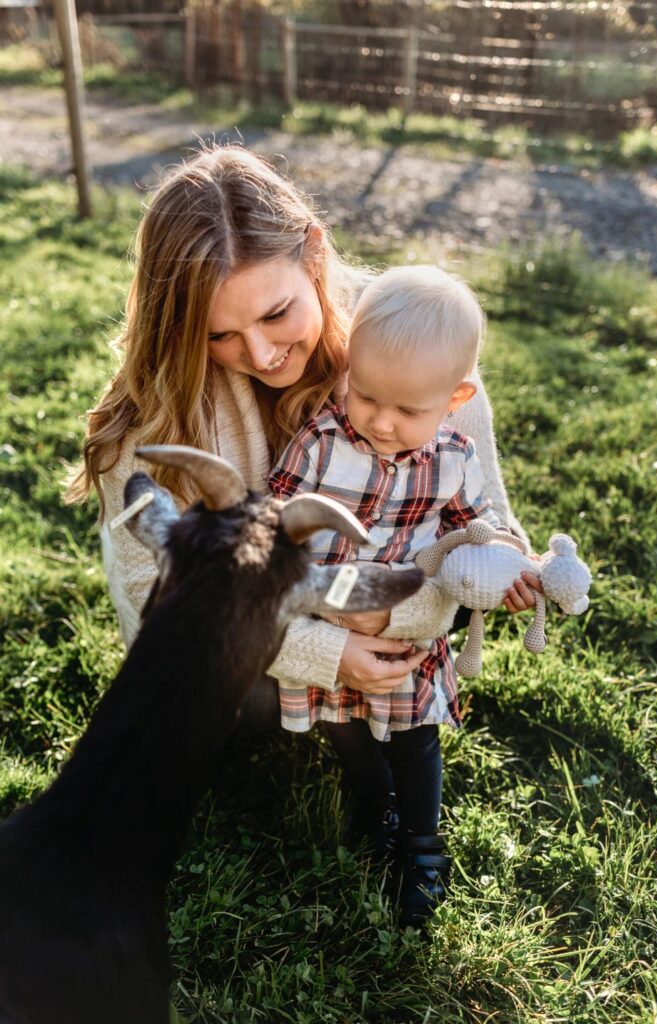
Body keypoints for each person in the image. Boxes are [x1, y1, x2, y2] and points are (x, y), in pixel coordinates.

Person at [66, 144, 540, 920]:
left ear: (314, 252)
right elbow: (163, 600)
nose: (260, 353)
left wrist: (491, 571)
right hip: (225, 659)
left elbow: (482, 510)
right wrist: (328, 654)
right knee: (230, 714)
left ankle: (404, 818)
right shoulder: (151, 424)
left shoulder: (416, 353)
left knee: (397, 710)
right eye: (218, 334)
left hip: (381, 617)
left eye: (276, 312)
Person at [268, 264, 520, 925]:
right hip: (333, 626)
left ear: (455, 396)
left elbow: (475, 526)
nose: (380, 422)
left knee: (414, 738)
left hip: (409, 632)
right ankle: (369, 801)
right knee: (343, 727)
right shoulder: (321, 441)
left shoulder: (454, 457)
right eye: (366, 395)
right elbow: (274, 517)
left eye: (407, 410)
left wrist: (506, 567)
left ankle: (421, 843)